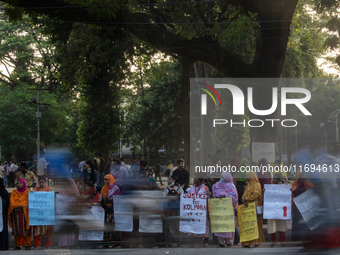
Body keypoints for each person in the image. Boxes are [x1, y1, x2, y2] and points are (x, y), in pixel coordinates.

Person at [212, 172, 238, 247]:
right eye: (221, 176)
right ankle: (221, 242)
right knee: (220, 224)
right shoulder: (216, 185)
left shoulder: (231, 186)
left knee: (228, 225)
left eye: (223, 177)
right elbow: (214, 193)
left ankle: (229, 241)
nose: (222, 178)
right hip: (219, 208)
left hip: (228, 208)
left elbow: (235, 197)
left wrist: (225, 196)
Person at [241, 171, 265, 248]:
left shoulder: (257, 185)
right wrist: (243, 200)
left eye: (247, 175)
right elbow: (244, 195)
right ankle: (247, 242)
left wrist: (246, 199)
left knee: (256, 225)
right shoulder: (247, 185)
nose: (245, 177)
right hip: (247, 208)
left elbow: (256, 195)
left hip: (254, 207)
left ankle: (257, 242)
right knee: (248, 225)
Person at [187, 178, 211, 247]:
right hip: (194, 210)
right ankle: (194, 242)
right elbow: (189, 197)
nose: (194, 180)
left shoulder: (205, 188)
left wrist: (209, 195)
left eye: (195, 179)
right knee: (194, 224)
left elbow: (208, 198)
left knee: (202, 224)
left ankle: (203, 241)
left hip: (202, 211)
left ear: (200, 180)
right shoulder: (192, 188)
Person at [8, 179, 31, 250]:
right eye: (18, 183)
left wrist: (22, 206)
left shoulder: (27, 192)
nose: (19, 184)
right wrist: (19, 206)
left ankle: (27, 245)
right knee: (16, 230)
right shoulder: (14, 192)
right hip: (16, 213)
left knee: (26, 229)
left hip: (25, 214)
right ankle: (18, 245)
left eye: (21, 183)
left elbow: (29, 202)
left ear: (24, 184)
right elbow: (12, 202)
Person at [267, 173, 288, 247]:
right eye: (273, 178)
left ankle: (282, 242)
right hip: (273, 210)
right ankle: (273, 242)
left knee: (281, 226)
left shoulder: (284, 187)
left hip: (281, 210)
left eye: (275, 179)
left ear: (279, 180)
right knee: (273, 226)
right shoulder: (270, 187)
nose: (273, 180)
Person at [291, 171, 313, 242]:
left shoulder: (309, 184)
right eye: (302, 178)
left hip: (306, 208)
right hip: (298, 208)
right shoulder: (295, 184)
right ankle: (297, 239)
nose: (304, 180)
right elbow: (295, 192)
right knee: (297, 223)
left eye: (305, 178)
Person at [33, 177, 53, 250]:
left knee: (48, 230)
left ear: (45, 182)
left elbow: (52, 199)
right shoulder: (36, 190)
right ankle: (37, 245)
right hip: (38, 213)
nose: (41, 184)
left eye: (42, 182)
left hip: (47, 213)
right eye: (40, 182)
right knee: (37, 230)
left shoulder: (49, 189)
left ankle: (48, 245)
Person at [101, 175, 120, 241]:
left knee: (114, 224)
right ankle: (106, 241)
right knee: (106, 225)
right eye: (105, 179)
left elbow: (118, 198)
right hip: (106, 209)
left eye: (108, 179)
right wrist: (104, 198)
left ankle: (114, 241)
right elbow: (101, 197)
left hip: (114, 209)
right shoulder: (103, 188)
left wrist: (111, 199)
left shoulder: (116, 188)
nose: (106, 181)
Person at [0, 177, 9, 250]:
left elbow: (6, 202)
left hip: (2, 214)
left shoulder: (3, 191)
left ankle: (3, 246)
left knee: (2, 229)